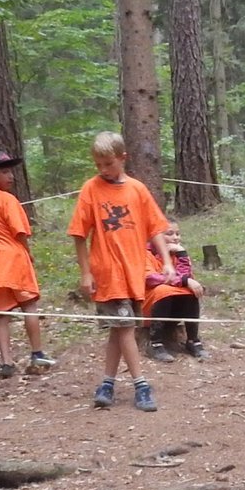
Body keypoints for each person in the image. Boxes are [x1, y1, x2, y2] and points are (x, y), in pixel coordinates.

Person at [69, 132, 172, 411]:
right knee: (125, 327)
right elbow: (78, 234)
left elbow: (156, 228)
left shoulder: (137, 189)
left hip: (133, 273)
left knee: (119, 329)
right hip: (107, 273)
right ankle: (141, 385)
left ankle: (107, 384)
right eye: (98, 164)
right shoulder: (91, 189)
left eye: (108, 164)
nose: (103, 170)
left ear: (122, 158)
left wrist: (166, 261)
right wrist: (86, 273)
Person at [0, 151, 56, 380]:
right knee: (29, 306)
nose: (11, 177)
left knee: (2, 314)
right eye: (5, 172)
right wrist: (28, 253)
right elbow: (20, 232)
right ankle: (37, 353)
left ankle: (6, 361)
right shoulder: (7, 199)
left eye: (11, 171)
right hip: (14, 259)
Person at [142, 226, 206, 362]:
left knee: (190, 291)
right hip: (148, 307)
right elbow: (150, 279)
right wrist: (184, 281)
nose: (176, 238)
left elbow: (187, 277)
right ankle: (155, 343)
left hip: (173, 307)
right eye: (170, 234)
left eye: (178, 234)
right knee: (163, 290)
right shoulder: (144, 253)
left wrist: (182, 254)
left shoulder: (176, 253)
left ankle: (193, 340)